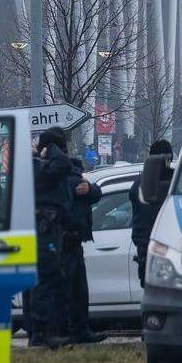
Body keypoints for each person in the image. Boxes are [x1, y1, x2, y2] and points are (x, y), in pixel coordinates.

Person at [23, 129, 76, 348]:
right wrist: (49, 147)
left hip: (51, 226)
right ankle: (40, 333)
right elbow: (63, 164)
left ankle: (48, 331)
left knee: (52, 277)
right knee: (44, 278)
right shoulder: (35, 166)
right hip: (44, 227)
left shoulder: (44, 165)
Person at [60, 133, 104, 344]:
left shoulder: (80, 184)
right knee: (72, 291)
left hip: (74, 242)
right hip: (65, 242)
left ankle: (78, 331)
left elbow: (97, 193)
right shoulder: (63, 183)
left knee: (78, 290)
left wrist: (89, 188)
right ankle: (74, 331)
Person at [130, 138, 175, 287]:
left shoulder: (140, 183)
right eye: (167, 159)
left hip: (153, 247)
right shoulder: (171, 184)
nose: (168, 163)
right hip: (154, 247)